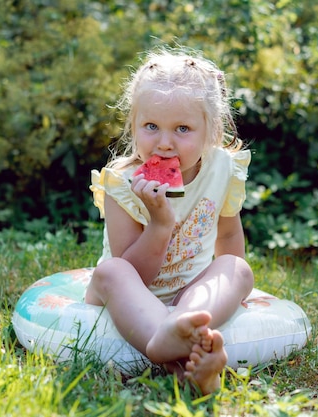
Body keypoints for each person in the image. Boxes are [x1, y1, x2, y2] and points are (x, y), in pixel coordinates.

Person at [87, 47, 254, 395]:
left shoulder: (223, 167)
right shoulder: (121, 181)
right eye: (151, 126)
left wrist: (234, 291)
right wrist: (160, 224)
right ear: (133, 124)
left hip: (190, 298)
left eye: (182, 128)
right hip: (130, 295)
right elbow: (134, 273)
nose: (164, 143)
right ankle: (167, 340)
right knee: (110, 272)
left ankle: (188, 354)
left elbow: (227, 233)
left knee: (238, 269)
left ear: (212, 128)